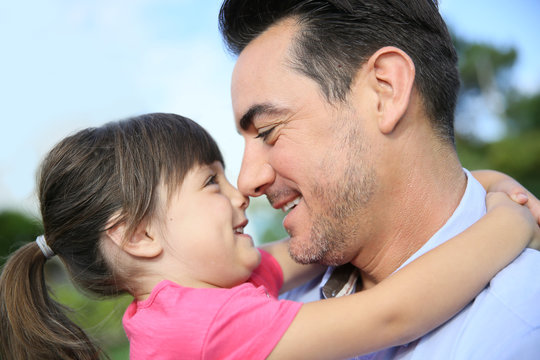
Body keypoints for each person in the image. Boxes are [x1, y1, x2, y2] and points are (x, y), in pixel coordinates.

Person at [0, 113, 537, 360]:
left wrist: (483, 184)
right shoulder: (198, 328)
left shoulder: (218, 285)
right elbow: (391, 314)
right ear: (140, 234)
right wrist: (507, 224)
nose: (241, 194)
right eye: (211, 181)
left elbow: (315, 250)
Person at [218, 0, 540, 358]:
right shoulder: (263, 310)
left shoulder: (520, 327)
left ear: (386, 90)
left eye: (268, 130)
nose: (247, 181)